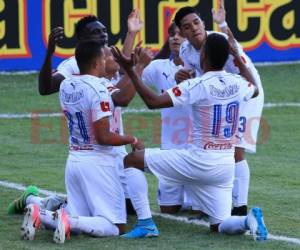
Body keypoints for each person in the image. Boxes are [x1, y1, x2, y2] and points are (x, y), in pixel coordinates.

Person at [111, 32, 268, 241]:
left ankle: (146, 224)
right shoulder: (239, 83)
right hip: (224, 166)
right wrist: (239, 60)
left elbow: (153, 102)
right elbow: (255, 89)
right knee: (219, 225)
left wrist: (132, 71)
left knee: (131, 160)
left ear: (203, 56)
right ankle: (247, 221)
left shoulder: (197, 84)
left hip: (199, 161)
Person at [21, 40, 145, 244]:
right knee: (115, 227)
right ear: (97, 62)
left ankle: (40, 213)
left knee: (86, 217)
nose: (110, 60)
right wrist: (132, 138)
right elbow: (104, 137)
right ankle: (65, 219)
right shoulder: (99, 88)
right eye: (107, 57)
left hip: (75, 160)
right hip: (98, 163)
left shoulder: (67, 84)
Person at [37, 10, 144, 215]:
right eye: (96, 32)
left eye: (104, 31)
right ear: (82, 39)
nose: (103, 35)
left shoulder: (106, 58)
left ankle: (49, 204)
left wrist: (131, 34)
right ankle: (52, 205)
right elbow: (46, 87)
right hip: (96, 149)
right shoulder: (74, 65)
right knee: (112, 218)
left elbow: (123, 67)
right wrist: (49, 53)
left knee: (129, 207)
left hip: (114, 143)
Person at [174, 4, 264, 216]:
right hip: (223, 96)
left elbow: (237, 54)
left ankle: (240, 207)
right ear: (182, 32)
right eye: (187, 26)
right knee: (213, 149)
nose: (194, 28)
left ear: (203, 23)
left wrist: (223, 24)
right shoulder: (186, 50)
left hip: (248, 93)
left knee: (236, 150)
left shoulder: (218, 41)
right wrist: (181, 76)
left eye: (196, 22)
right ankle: (216, 204)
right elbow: (194, 76)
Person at [141, 22, 193, 214]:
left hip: (195, 151)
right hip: (170, 151)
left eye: (181, 34)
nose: (175, 37)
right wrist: (136, 64)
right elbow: (130, 78)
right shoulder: (159, 67)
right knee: (168, 210)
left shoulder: (203, 68)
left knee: (199, 212)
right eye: (172, 34)